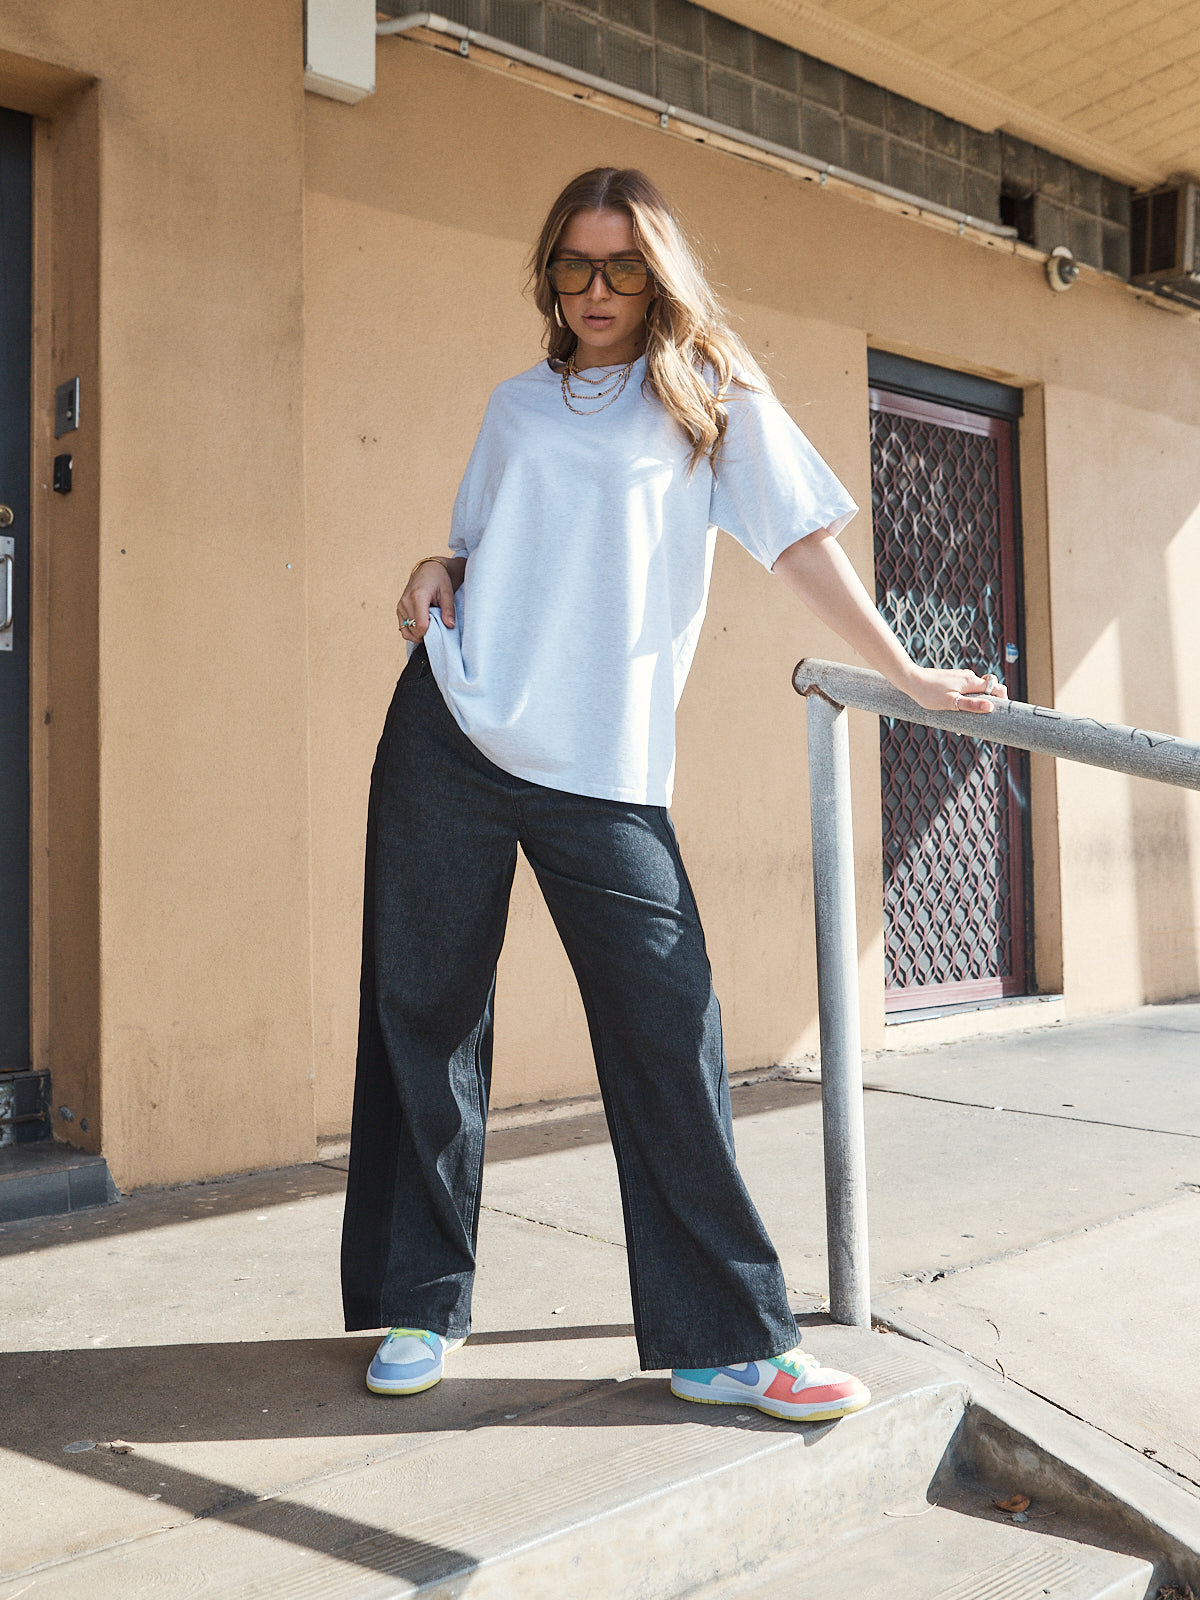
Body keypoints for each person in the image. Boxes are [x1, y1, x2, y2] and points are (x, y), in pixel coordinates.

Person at [340, 166, 1003, 1424]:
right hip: (453, 729)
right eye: (575, 267)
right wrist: (438, 563)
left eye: (622, 267)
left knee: (669, 1027)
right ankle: (419, 1302)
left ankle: (722, 1342)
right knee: (420, 1007)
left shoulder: (711, 399)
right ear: (551, 277)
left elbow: (800, 540)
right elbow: (485, 552)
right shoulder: (516, 404)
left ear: (660, 274)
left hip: (603, 768)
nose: (596, 291)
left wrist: (902, 668)